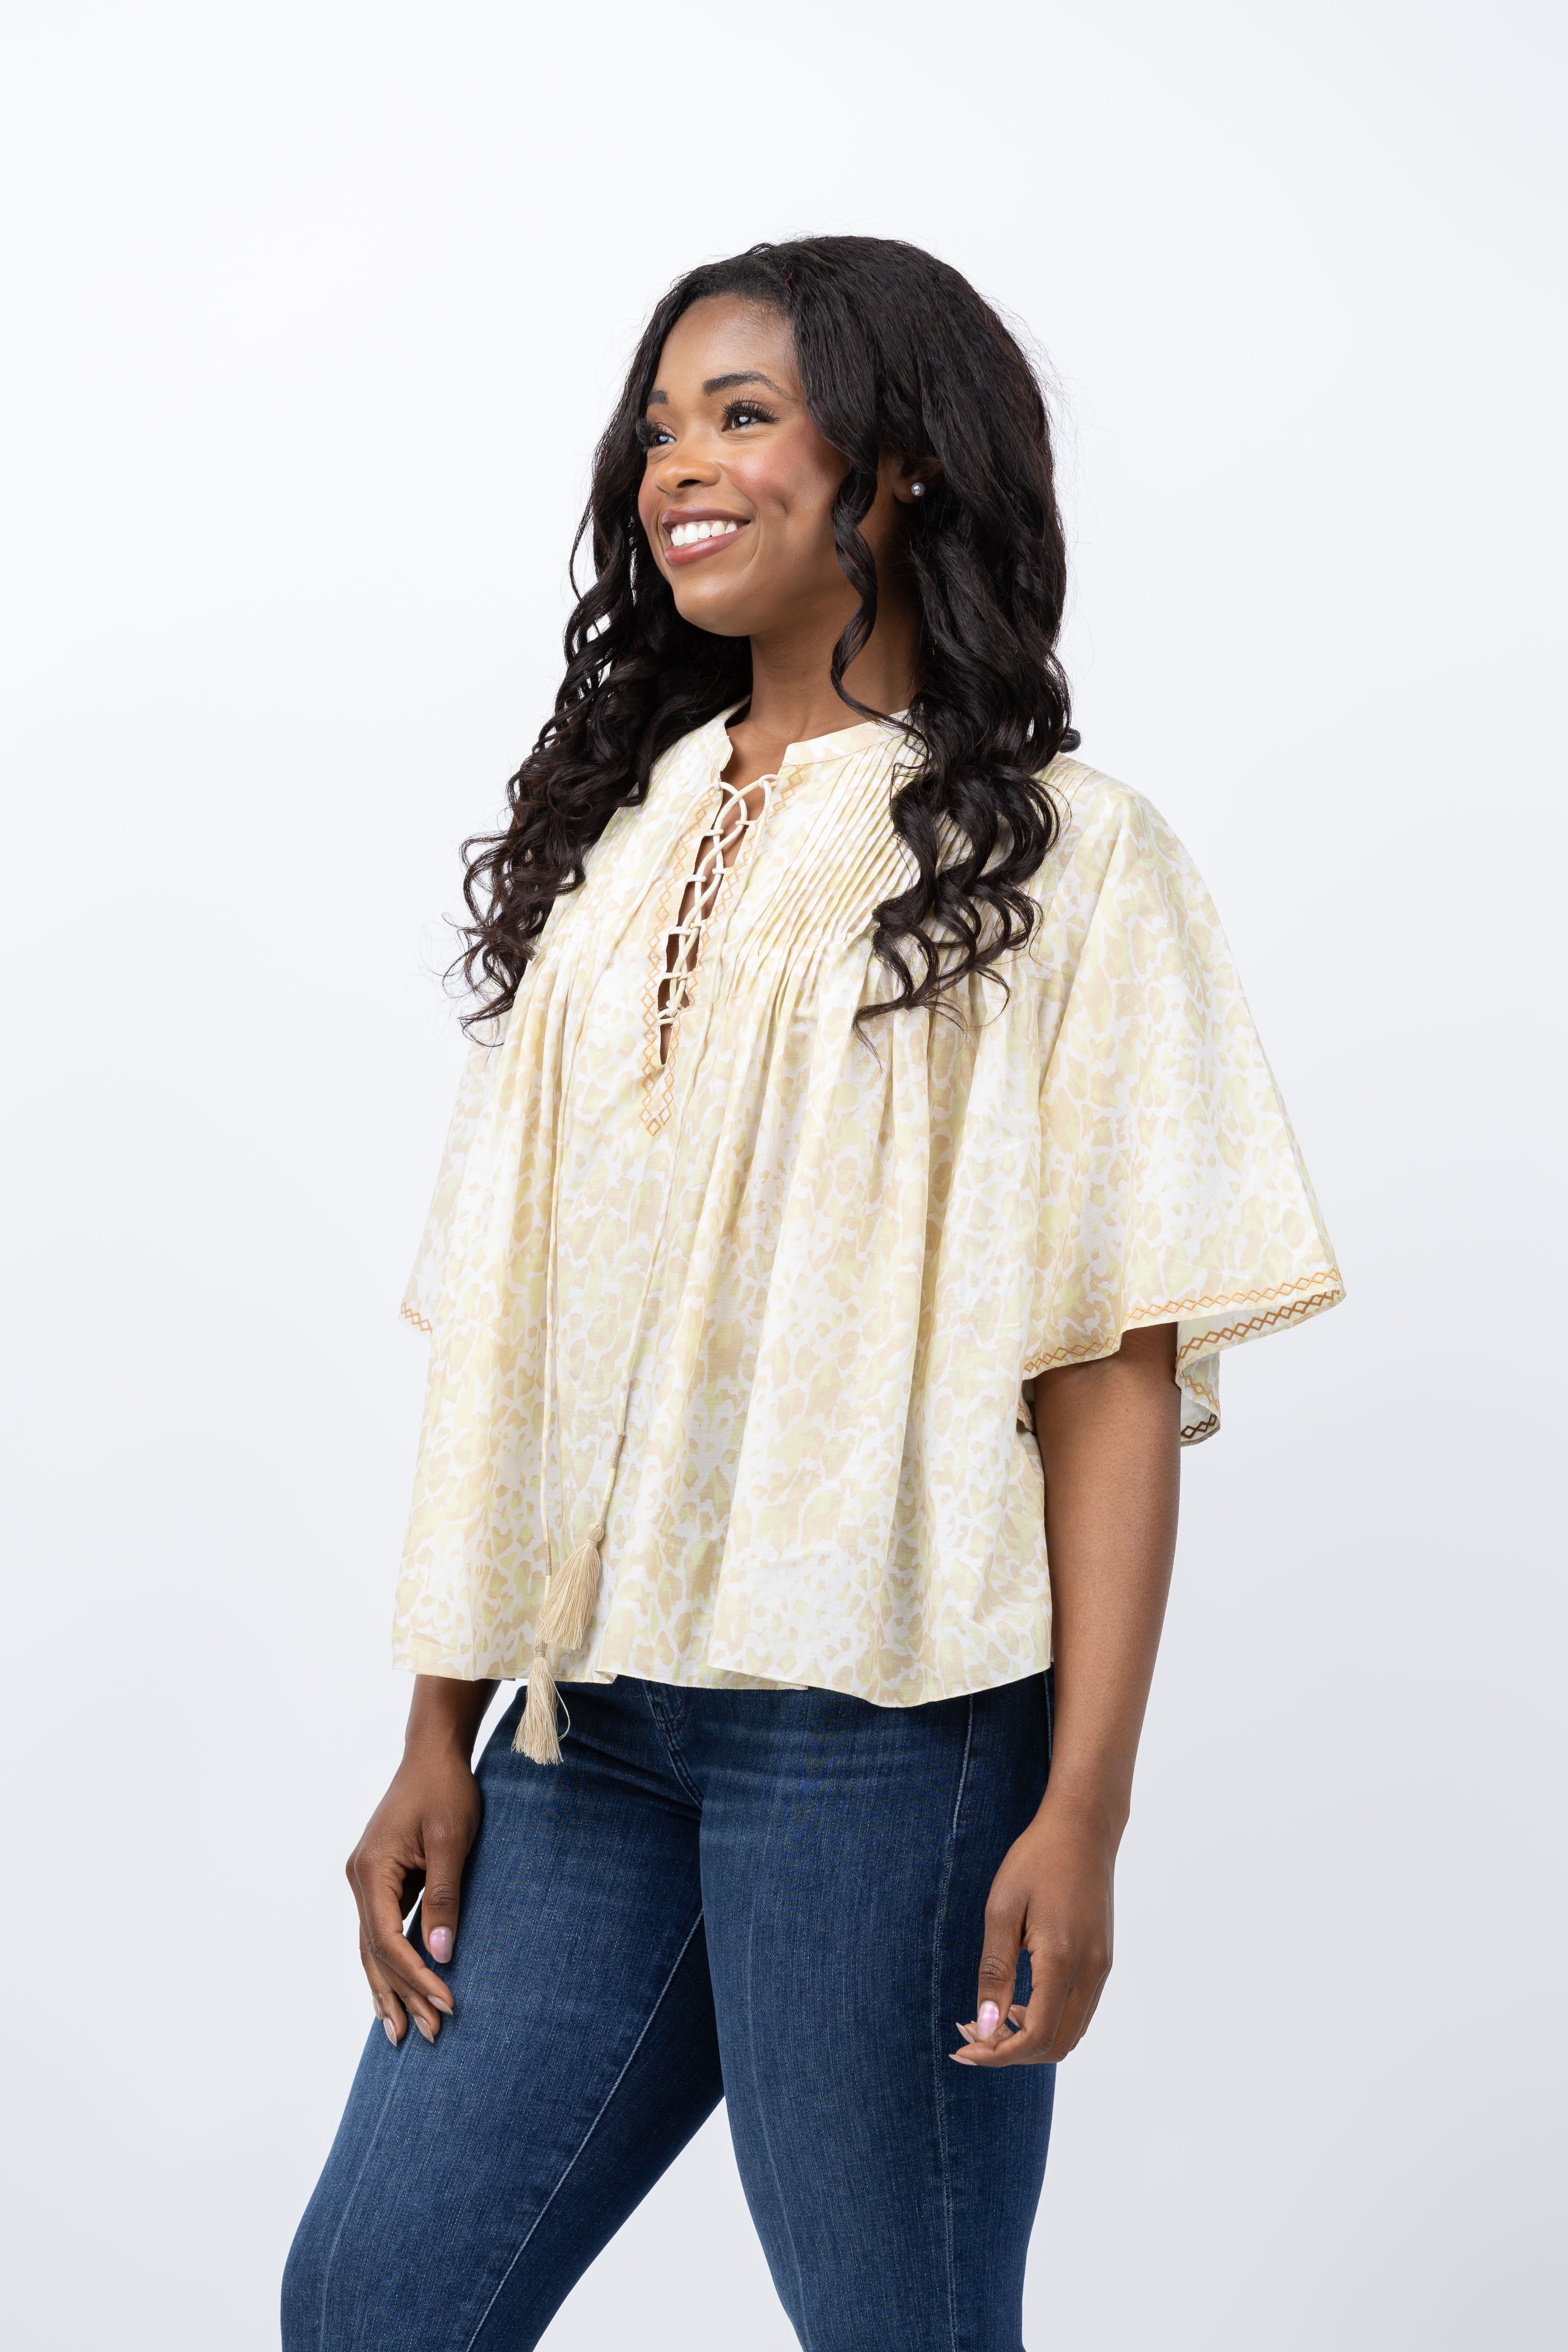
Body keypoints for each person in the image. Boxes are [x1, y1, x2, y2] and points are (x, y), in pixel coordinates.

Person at [282, 235, 1342, 2351]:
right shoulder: (619, 845)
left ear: (901, 465)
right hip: (585, 1726)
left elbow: (1108, 1370)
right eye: (661, 425)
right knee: (375, 2301)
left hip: (888, 1740)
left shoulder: (1064, 857)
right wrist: (434, 1725)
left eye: (745, 415)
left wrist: (1083, 1807)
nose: (680, 462)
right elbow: (517, 1323)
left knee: (896, 2329)